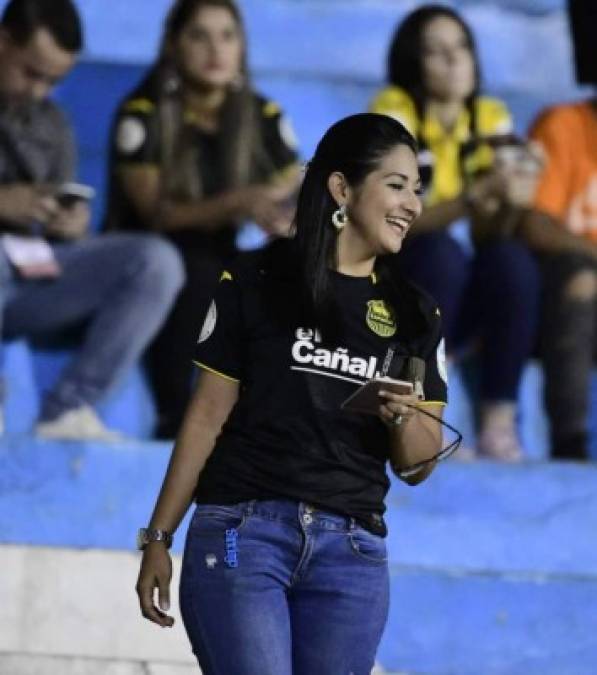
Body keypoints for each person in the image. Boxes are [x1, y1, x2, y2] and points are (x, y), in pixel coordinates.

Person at [135, 113, 450, 675]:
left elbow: (419, 464)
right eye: (396, 185)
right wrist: (159, 535)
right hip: (240, 535)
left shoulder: (416, 313)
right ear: (341, 188)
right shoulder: (254, 278)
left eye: (418, 191)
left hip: (353, 555)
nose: (412, 205)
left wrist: (404, 419)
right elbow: (206, 416)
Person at [106, 0, 301, 439]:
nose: (215, 49)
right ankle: (175, 420)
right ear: (173, 45)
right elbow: (156, 214)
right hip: (151, 252)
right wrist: (238, 201)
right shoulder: (143, 112)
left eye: (227, 35)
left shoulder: (260, 114)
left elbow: (296, 181)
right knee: (196, 269)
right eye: (199, 35)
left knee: (291, 261)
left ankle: (278, 420)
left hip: (220, 251)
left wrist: (286, 214)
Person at [0, 0, 184, 440]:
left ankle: (67, 409)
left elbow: (59, 231)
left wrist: (71, 227)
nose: (40, 90)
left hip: (30, 282)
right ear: (4, 43)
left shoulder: (52, 123)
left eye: (54, 80)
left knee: (156, 262)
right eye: (31, 72)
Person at [370, 4, 541, 461]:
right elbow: (394, 224)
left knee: (512, 261)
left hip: (456, 298)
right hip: (391, 297)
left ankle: (498, 420)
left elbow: (491, 234)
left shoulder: (489, 116)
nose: (454, 60)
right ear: (413, 64)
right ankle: (421, 412)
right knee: (439, 251)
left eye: (462, 47)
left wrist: (512, 200)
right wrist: (473, 196)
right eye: (436, 52)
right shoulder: (393, 113)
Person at [520, 96, 597, 459]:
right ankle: (570, 441)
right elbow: (535, 224)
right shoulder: (563, 123)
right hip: (558, 277)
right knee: (582, 282)